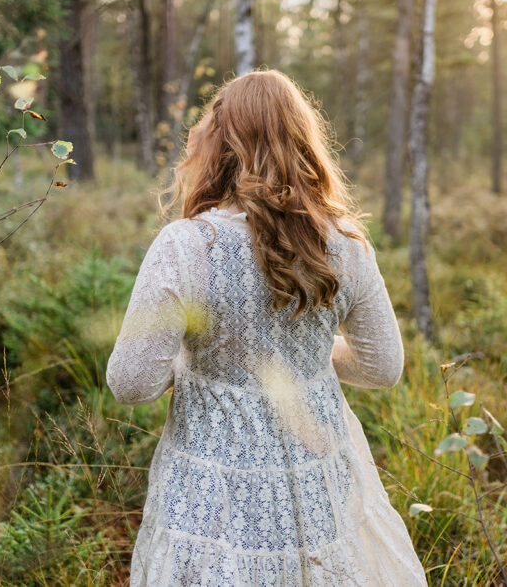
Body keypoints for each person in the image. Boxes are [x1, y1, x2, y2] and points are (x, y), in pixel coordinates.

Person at [106, 70, 427, 586]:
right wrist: (307, 354)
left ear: (220, 145)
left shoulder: (187, 245)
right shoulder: (346, 246)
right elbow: (382, 367)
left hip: (210, 490)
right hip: (317, 475)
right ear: (305, 141)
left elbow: (131, 382)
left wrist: (196, 358)